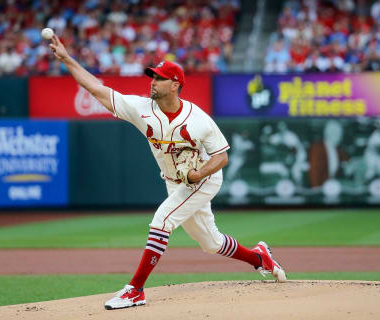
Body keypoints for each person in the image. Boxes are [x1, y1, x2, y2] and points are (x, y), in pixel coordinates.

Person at [48, 35, 286, 310]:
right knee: (211, 243)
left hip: (203, 180)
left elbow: (222, 157)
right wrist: (66, 58)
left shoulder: (199, 120)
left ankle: (135, 290)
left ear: (175, 85)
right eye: (153, 76)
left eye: (160, 78)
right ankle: (260, 258)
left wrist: (197, 175)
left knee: (162, 221)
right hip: (176, 182)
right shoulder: (141, 109)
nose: (153, 81)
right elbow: (97, 89)